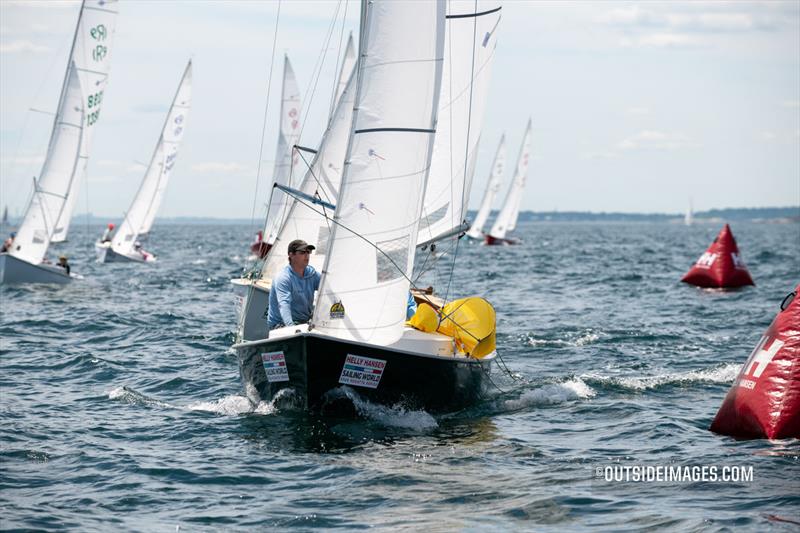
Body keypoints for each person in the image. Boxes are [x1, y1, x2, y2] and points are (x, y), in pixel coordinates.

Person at [267, 239, 321, 330]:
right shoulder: (283, 277)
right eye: (303, 252)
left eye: (308, 252)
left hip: (303, 323)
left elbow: (328, 290)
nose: (307, 255)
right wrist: (291, 329)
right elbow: (284, 305)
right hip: (280, 324)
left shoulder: (312, 274)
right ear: (291, 255)